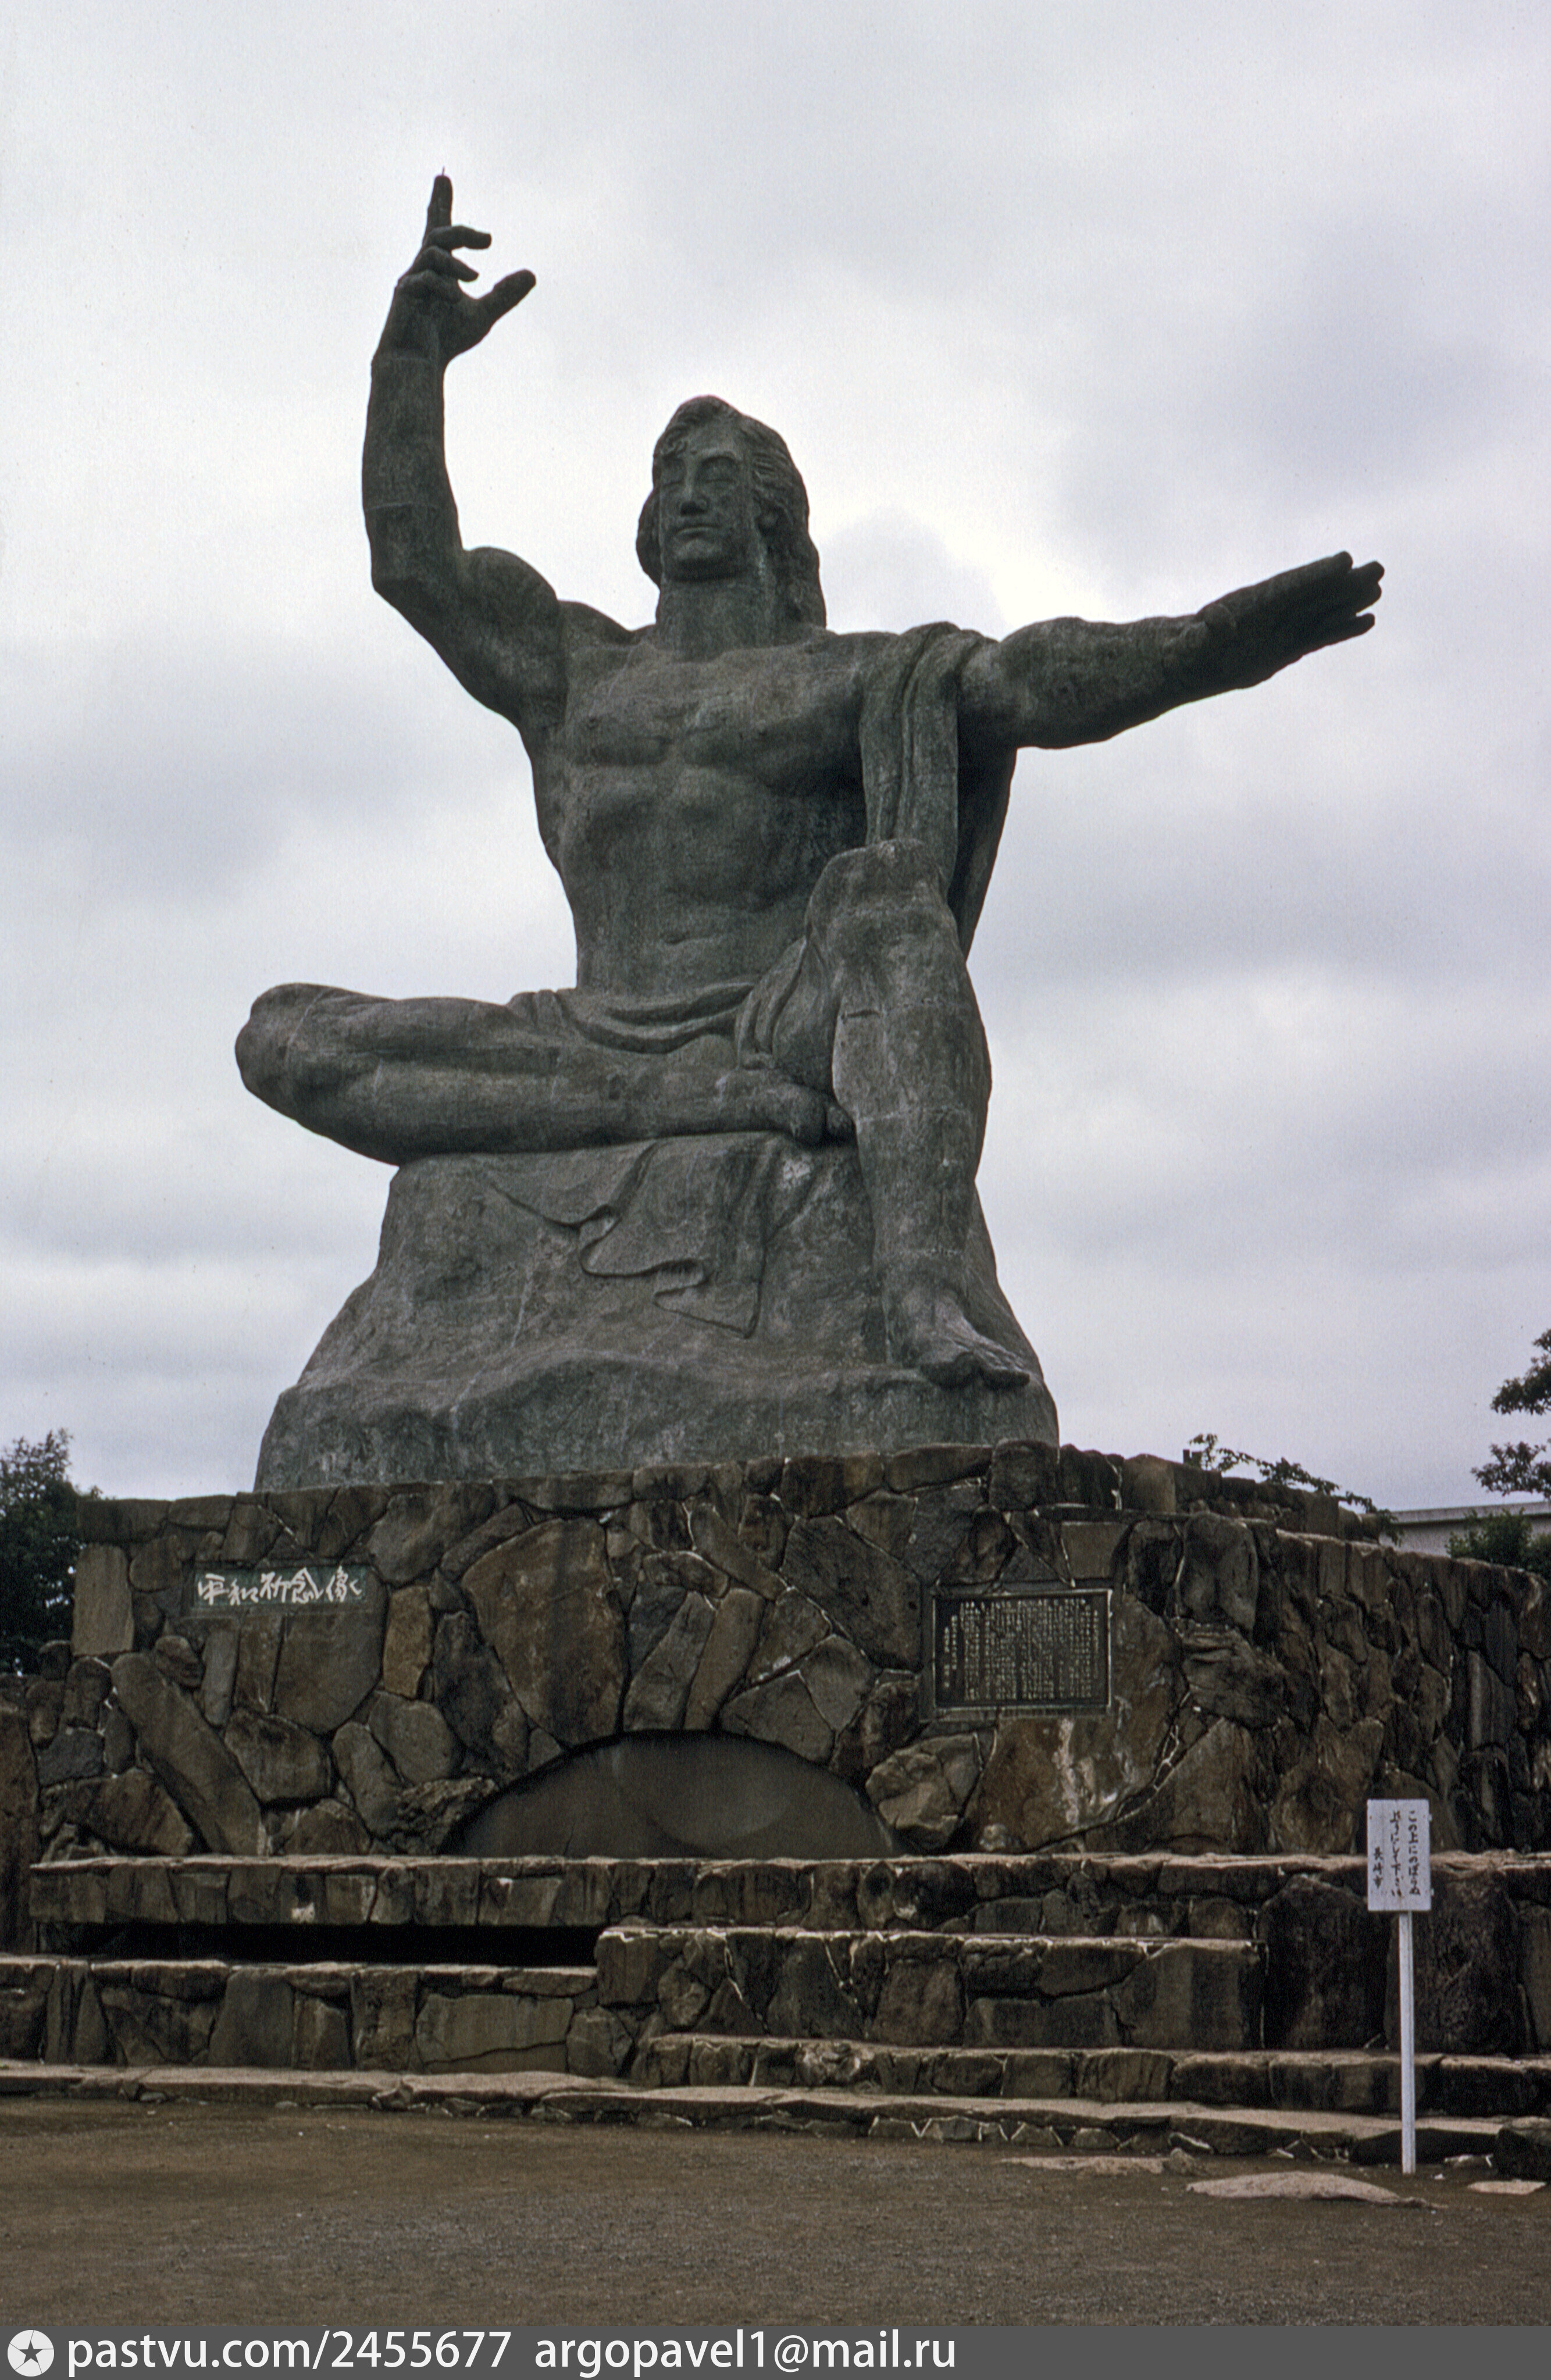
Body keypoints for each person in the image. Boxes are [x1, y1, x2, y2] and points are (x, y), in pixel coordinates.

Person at [238, 177, 1382, 1393]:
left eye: (715, 474)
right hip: (586, 1033)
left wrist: (1202, 649)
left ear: (771, 516)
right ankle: (668, 1101)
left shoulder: (850, 679)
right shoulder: (570, 667)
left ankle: (919, 1291)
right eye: (669, 472)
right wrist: (409, 365)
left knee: (888, 901)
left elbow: (1026, 679)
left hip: (773, 1024)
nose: (686, 491)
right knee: (284, 1035)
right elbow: (413, 564)